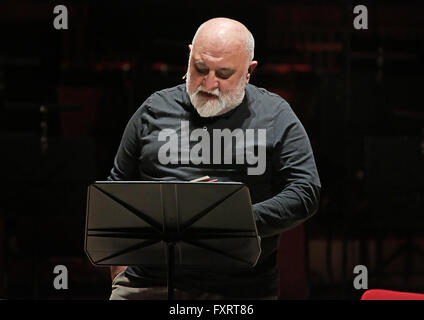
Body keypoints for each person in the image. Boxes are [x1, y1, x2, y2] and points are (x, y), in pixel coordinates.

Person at [107, 17, 321, 300]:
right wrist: (119, 274)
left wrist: (237, 219)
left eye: (224, 73)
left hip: (239, 289)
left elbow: (305, 191)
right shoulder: (154, 109)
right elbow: (115, 190)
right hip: (149, 283)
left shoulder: (274, 114)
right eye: (200, 68)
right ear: (189, 56)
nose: (209, 83)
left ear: (249, 72)